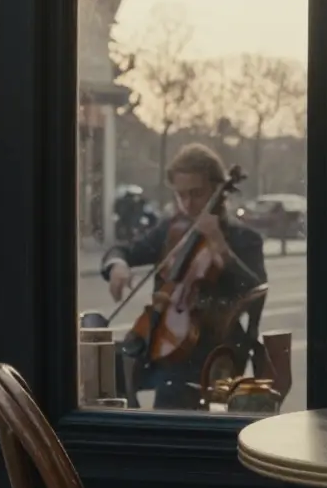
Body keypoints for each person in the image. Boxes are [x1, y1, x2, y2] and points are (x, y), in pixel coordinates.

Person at [101, 143, 268, 410]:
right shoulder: (172, 229)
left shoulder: (243, 238)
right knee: (107, 367)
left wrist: (218, 244)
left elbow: (255, 288)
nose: (188, 204)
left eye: (197, 194)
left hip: (210, 348)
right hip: (160, 332)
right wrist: (118, 265)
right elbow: (123, 250)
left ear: (217, 191)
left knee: (172, 388)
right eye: (181, 196)